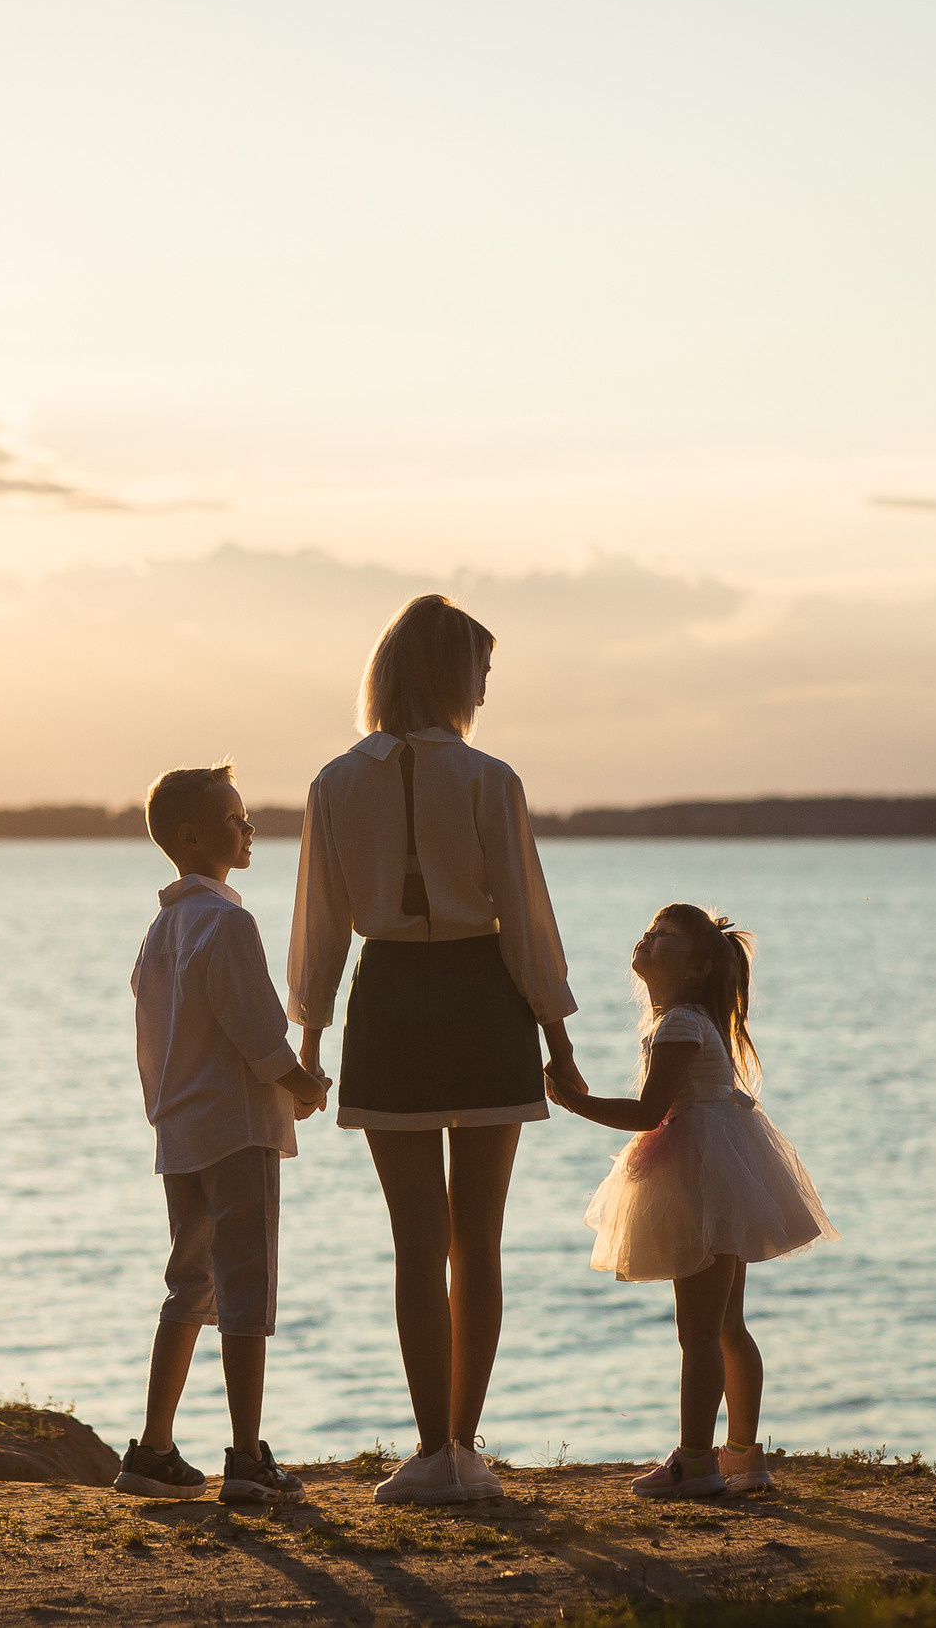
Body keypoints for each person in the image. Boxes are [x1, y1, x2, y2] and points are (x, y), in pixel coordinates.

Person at [286, 594, 585, 1505]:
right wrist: (559, 1039)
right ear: (454, 674)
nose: (486, 692)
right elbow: (527, 923)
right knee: (475, 1240)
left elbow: (319, 927)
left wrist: (310, 1037)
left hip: (391, 1006)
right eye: (482, 673)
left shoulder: (336, 781)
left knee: (416, 1242)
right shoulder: (491, 779)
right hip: (483, 1001)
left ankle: (431, 1450)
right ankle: (459, 1449)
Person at [546, 903, 837, 1498]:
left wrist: (572, 1101)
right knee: (728, 1323)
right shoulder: (694, 1019)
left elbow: (649, 1113)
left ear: (699, 966)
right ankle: (743, 1455)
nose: (647, 938)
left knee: (698, 1331)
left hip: (701, 1171)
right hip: (723, 1161)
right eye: (650, 930)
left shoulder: (679, 1022)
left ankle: (697, 1462)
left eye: (665, 936)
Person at [116, 762, 332, 1504]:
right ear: (191, 835)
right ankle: (246, 1455)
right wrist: (304, 1087)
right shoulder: (227, 923)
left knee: (190, 1283)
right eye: (235, 817)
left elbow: (157, 1040)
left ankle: (153, 1445)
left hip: (179, 1130)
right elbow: (259, 1037)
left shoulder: (160, 930)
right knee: (245, 1288)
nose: (248, 828)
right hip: (237, 1130)